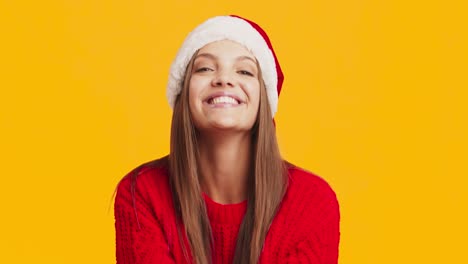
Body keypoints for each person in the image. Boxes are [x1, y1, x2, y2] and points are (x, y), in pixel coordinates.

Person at [114, 15, 340, 264]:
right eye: (205, 68)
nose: (224, 79)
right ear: (184, 92)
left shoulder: (312, 204)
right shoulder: (142, 194)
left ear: (264, 99)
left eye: (244, 71)